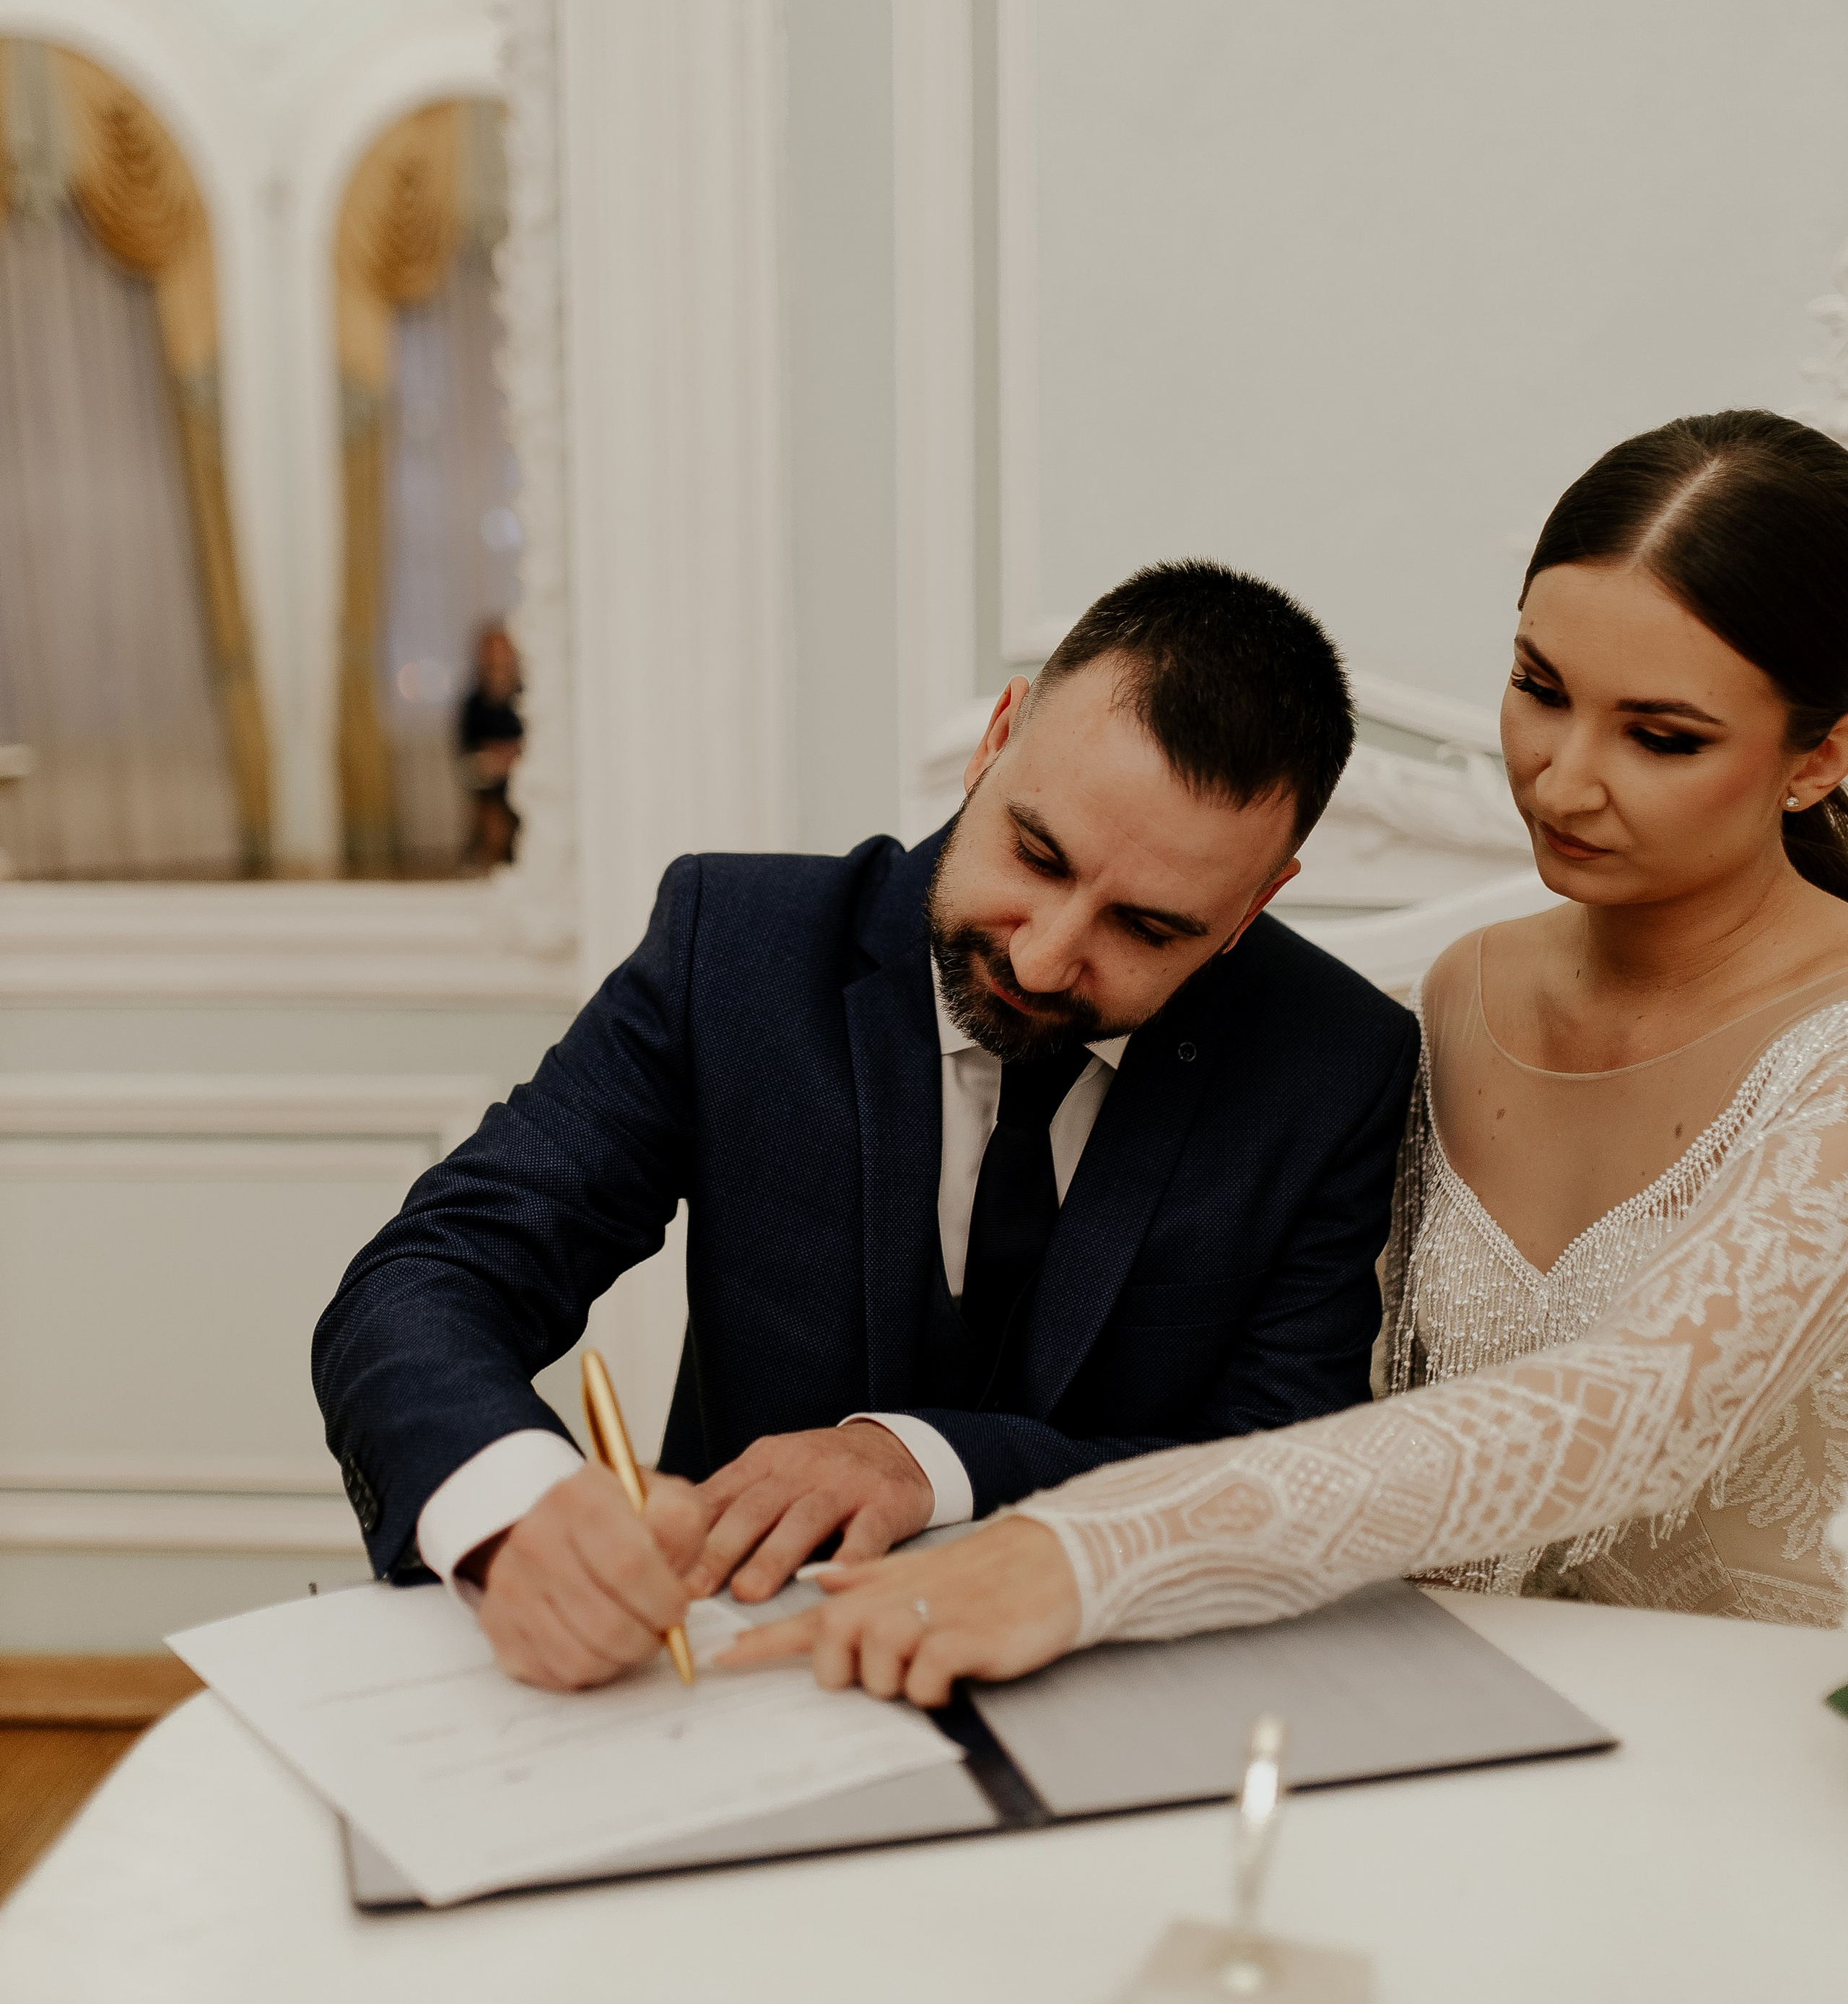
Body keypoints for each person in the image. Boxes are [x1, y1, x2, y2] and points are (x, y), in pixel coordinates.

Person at [724, 411, 1848, 1706]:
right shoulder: (1458, 991)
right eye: (1540, 688)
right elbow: (1319, 1398)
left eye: (1660, 738)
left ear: (1815, 758)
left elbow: (1632, 1412)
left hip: (1745, 1738)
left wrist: (1089, 1553)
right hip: (1420, 1708)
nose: (1559, 781)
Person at [313, 562, 1418, 1689]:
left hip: (1123, 1688)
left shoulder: (1334, 1063)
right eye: (1037, 855)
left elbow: (1283, 1467)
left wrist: (924, 1462)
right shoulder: (734, 950)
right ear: (998, 738)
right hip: (735, 1675)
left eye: (1147, 927)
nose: (1042, 956)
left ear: (1250, 909)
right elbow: (429, 1280)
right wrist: (514, 1511)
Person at [457, 622, 524, 870]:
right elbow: (469, 752)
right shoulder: (474, 704)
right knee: (493, 814)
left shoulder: (526, 698)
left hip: (524, 779)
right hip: (491, 784)